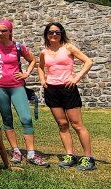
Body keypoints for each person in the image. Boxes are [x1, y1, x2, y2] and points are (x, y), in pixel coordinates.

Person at [0, 19, 49, 166]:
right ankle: (16, 151)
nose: (0, 33)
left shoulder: (18, 46)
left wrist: (26, 74)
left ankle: (30, 153)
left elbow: (32, 60)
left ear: (10, 31)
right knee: (7, 120)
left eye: (4, 30)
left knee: (26, 119)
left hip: (17, 86)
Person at [37, 22, 97, 171]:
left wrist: (76, 78)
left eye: (57, 32)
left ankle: (88, 158)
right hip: (52, 90)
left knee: (77, 124)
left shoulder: (68, 47)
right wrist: (43, 80)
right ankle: (70, 155)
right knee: (62, 124)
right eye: (51, 32)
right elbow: (40, 66)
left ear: (61, 33)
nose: (54, 35)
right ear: (46, 34)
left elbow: (88, 61)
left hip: (68, 88)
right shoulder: (44, 52)